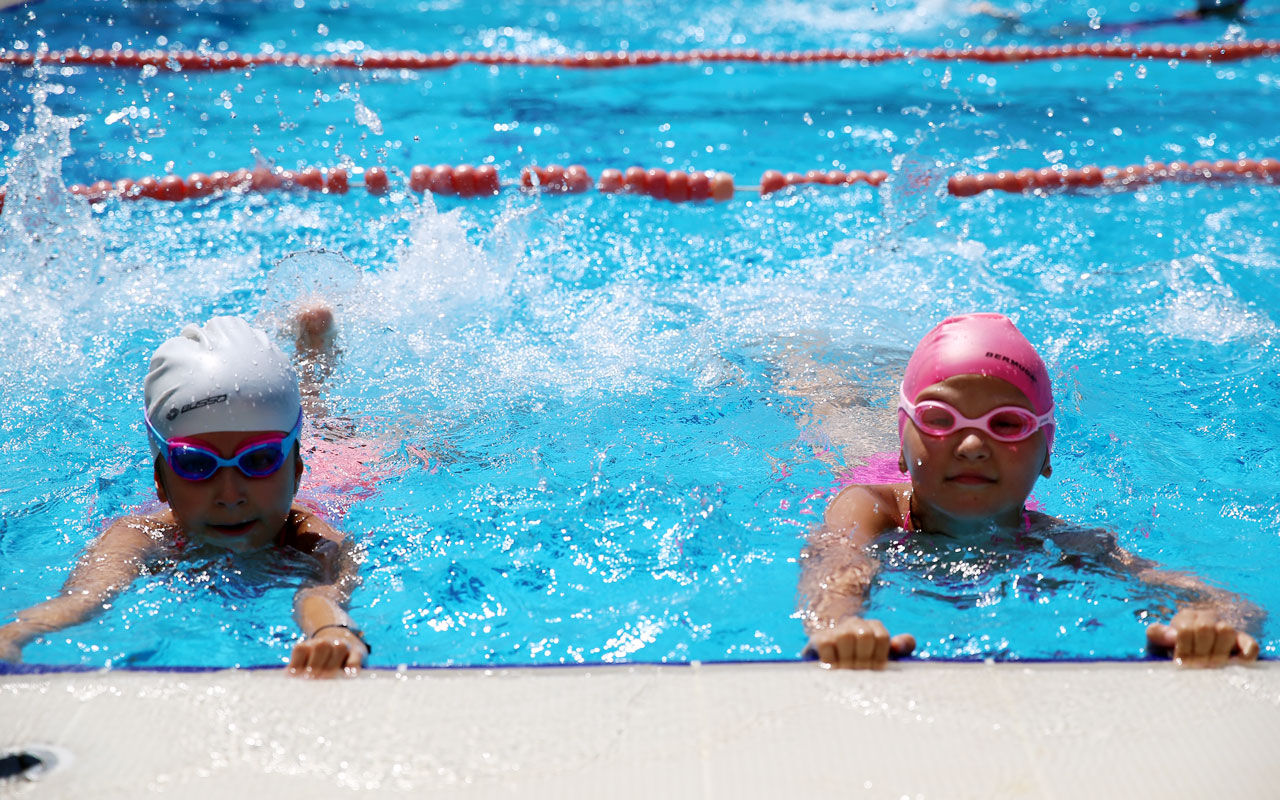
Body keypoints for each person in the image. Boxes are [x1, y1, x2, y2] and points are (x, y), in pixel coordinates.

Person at [800, 313, 1263, 669]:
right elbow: (837, 570)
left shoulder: (1064, 544)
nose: (974, 445)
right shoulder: (867, 507)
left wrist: (1213, 623)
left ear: (1046, 457)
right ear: (904, 443)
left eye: (1007, 424)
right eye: (940, 418)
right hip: (857, 459)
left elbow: (1227, 603)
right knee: (833, 408)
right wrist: (839, 622)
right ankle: (806, 357)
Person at [0, 312, 370, 678]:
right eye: (196, 464)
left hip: (335, 475)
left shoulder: (309, 536)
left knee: (322, 423)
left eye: (259, 460)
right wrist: (15, 633)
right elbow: (83, 599)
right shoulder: (140, 536)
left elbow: (322, 594)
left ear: (297, 471)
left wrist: (332, 632)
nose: (230, 494)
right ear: (159, 479)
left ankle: (315, 355)